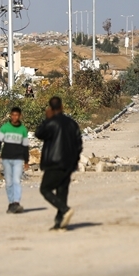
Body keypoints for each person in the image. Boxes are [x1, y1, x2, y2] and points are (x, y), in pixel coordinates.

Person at [35, 96, 83, 230]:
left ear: (50, 108)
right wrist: (75, 160)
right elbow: (79, 144)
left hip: (54, 162)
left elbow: (39, 133)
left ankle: (65, 210)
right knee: (62, 191)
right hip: (68, 163)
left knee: (45, 189)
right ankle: (60, 222)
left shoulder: (51, 123)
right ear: (61, 107)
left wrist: (47, 119)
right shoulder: (71, 123)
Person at [0, 107, 31, 214]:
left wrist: (26, 161)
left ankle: (16, 202)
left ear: (20, 116)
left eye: (17, 115)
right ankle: (11, 203)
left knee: (16, 180)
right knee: (9, 182)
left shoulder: (23, 130)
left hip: (18, 159)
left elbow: (25, 146)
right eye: (13, 115)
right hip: (6, 158)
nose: (15, 117)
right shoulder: (5, 128)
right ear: (10, 115)